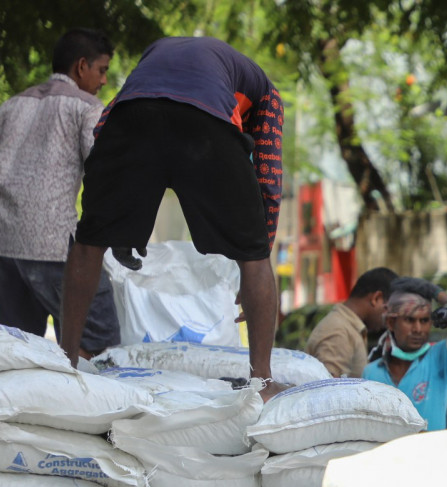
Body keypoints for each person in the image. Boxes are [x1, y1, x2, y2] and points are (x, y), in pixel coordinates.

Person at [58, 36, 284, 397]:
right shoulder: (267, 95)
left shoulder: (155, 56)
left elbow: (106, 126)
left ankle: (65, 361)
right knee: (253, 257)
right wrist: (258, 247)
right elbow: (269, 181)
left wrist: (110, 218)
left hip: (132, 117)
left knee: (88, 242)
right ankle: (264, 381)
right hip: (205, 122)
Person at [0, 29, 119, 354]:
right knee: (98, 345)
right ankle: (83, 404)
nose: (103, 81)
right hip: (53, 245)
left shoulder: (9, 106)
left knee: (19, 351)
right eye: (102, 70)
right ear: (82, 66)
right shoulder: (87, 108)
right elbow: (104, 173)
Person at [363, 278, 447, 430]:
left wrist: (437, 293)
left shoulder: (440, 357)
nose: (418, 329)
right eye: (410, 320)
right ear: (391, 323)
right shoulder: (371, 372)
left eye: (424, 321)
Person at [305, 267, 397, 378]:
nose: (388, 320)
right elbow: (328, 389)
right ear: (376, 298)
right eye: (388, 309)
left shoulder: (349, 328)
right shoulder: (339, 331)